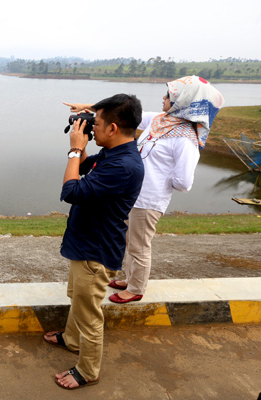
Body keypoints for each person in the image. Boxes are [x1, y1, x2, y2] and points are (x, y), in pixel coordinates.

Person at [63, 76, 225, 304]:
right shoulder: (161, 120)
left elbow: (184, 182)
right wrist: (87, 108)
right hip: (129, 193)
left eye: (169, 95)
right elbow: (125, 116)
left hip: (149, 199)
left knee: (139, 245)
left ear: (185, 101)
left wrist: (155, 177)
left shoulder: (186, 139)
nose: (163, 98)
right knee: (128, 239)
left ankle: (136, 287)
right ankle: (128, 278)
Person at [44, 94, 145, 390]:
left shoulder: (124, 166)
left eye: (96, 124)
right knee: (79, 299)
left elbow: (72, 191)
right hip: (86, 243)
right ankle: (71, 340)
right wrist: (87, 124)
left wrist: (75, 150)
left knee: (90, 316)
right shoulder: (115, 152)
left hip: (96, 251)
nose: (92, 129)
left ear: (113, 128)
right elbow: (88, 167)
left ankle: (87, 370)